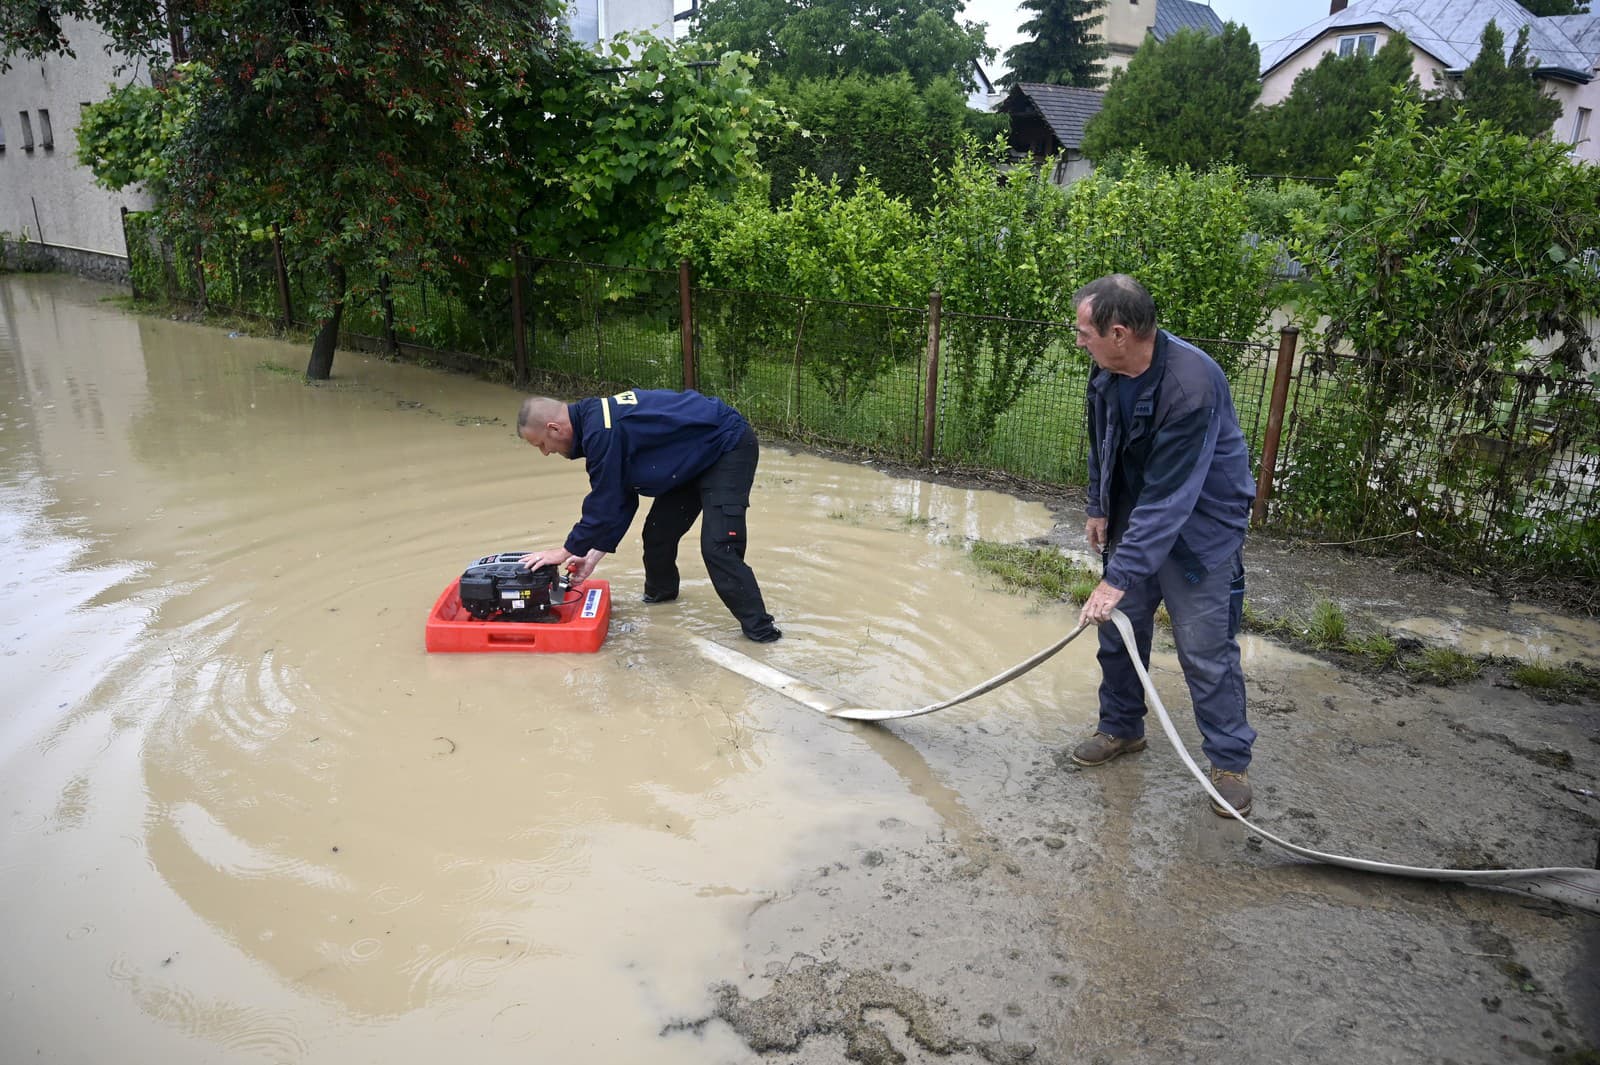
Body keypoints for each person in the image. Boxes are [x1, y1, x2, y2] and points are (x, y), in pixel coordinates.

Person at [1068, 274, 1257, 817]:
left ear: (1120, 332)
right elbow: (1101, 440)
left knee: (1204, 650)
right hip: (1136, 520)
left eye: (1085, 332)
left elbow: (1172, 497)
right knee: (1120, 634)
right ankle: (1122, 729)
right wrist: (1098, 504)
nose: (1080, 340)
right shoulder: (1107, 371)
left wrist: (1115, 576)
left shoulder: (1190, 385)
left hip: (1199, 534)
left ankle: (1229, 763)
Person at [516, 388, 782, 643]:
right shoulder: (596, 425)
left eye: (542, 444)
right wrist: (592, 554)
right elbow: (621, 496)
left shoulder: (601, 431)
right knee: (657, 535)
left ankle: (763, 634)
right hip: (690, 460)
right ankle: (661, 603)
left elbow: (604, 502)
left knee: (718, 548)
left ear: (554, 428)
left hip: (726, 446)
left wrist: (564, 551)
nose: (546, 452)